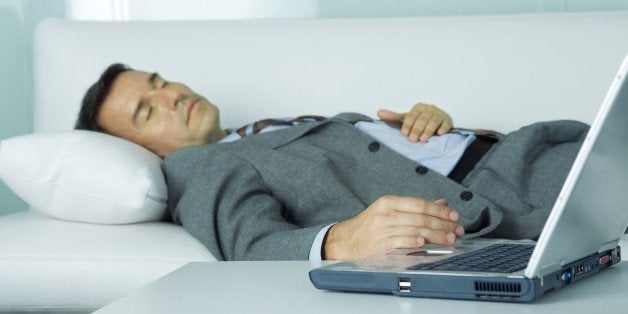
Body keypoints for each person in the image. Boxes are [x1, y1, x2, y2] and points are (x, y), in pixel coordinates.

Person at [76, 63, 589, 261]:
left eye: (160, 82)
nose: (171, 96)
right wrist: (343, 239)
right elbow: (252, 247)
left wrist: (427, 126)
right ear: (148, 151)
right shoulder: (196, 165)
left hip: (524, 146)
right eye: (148, 109)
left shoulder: (261, 131)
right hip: (508, 189)